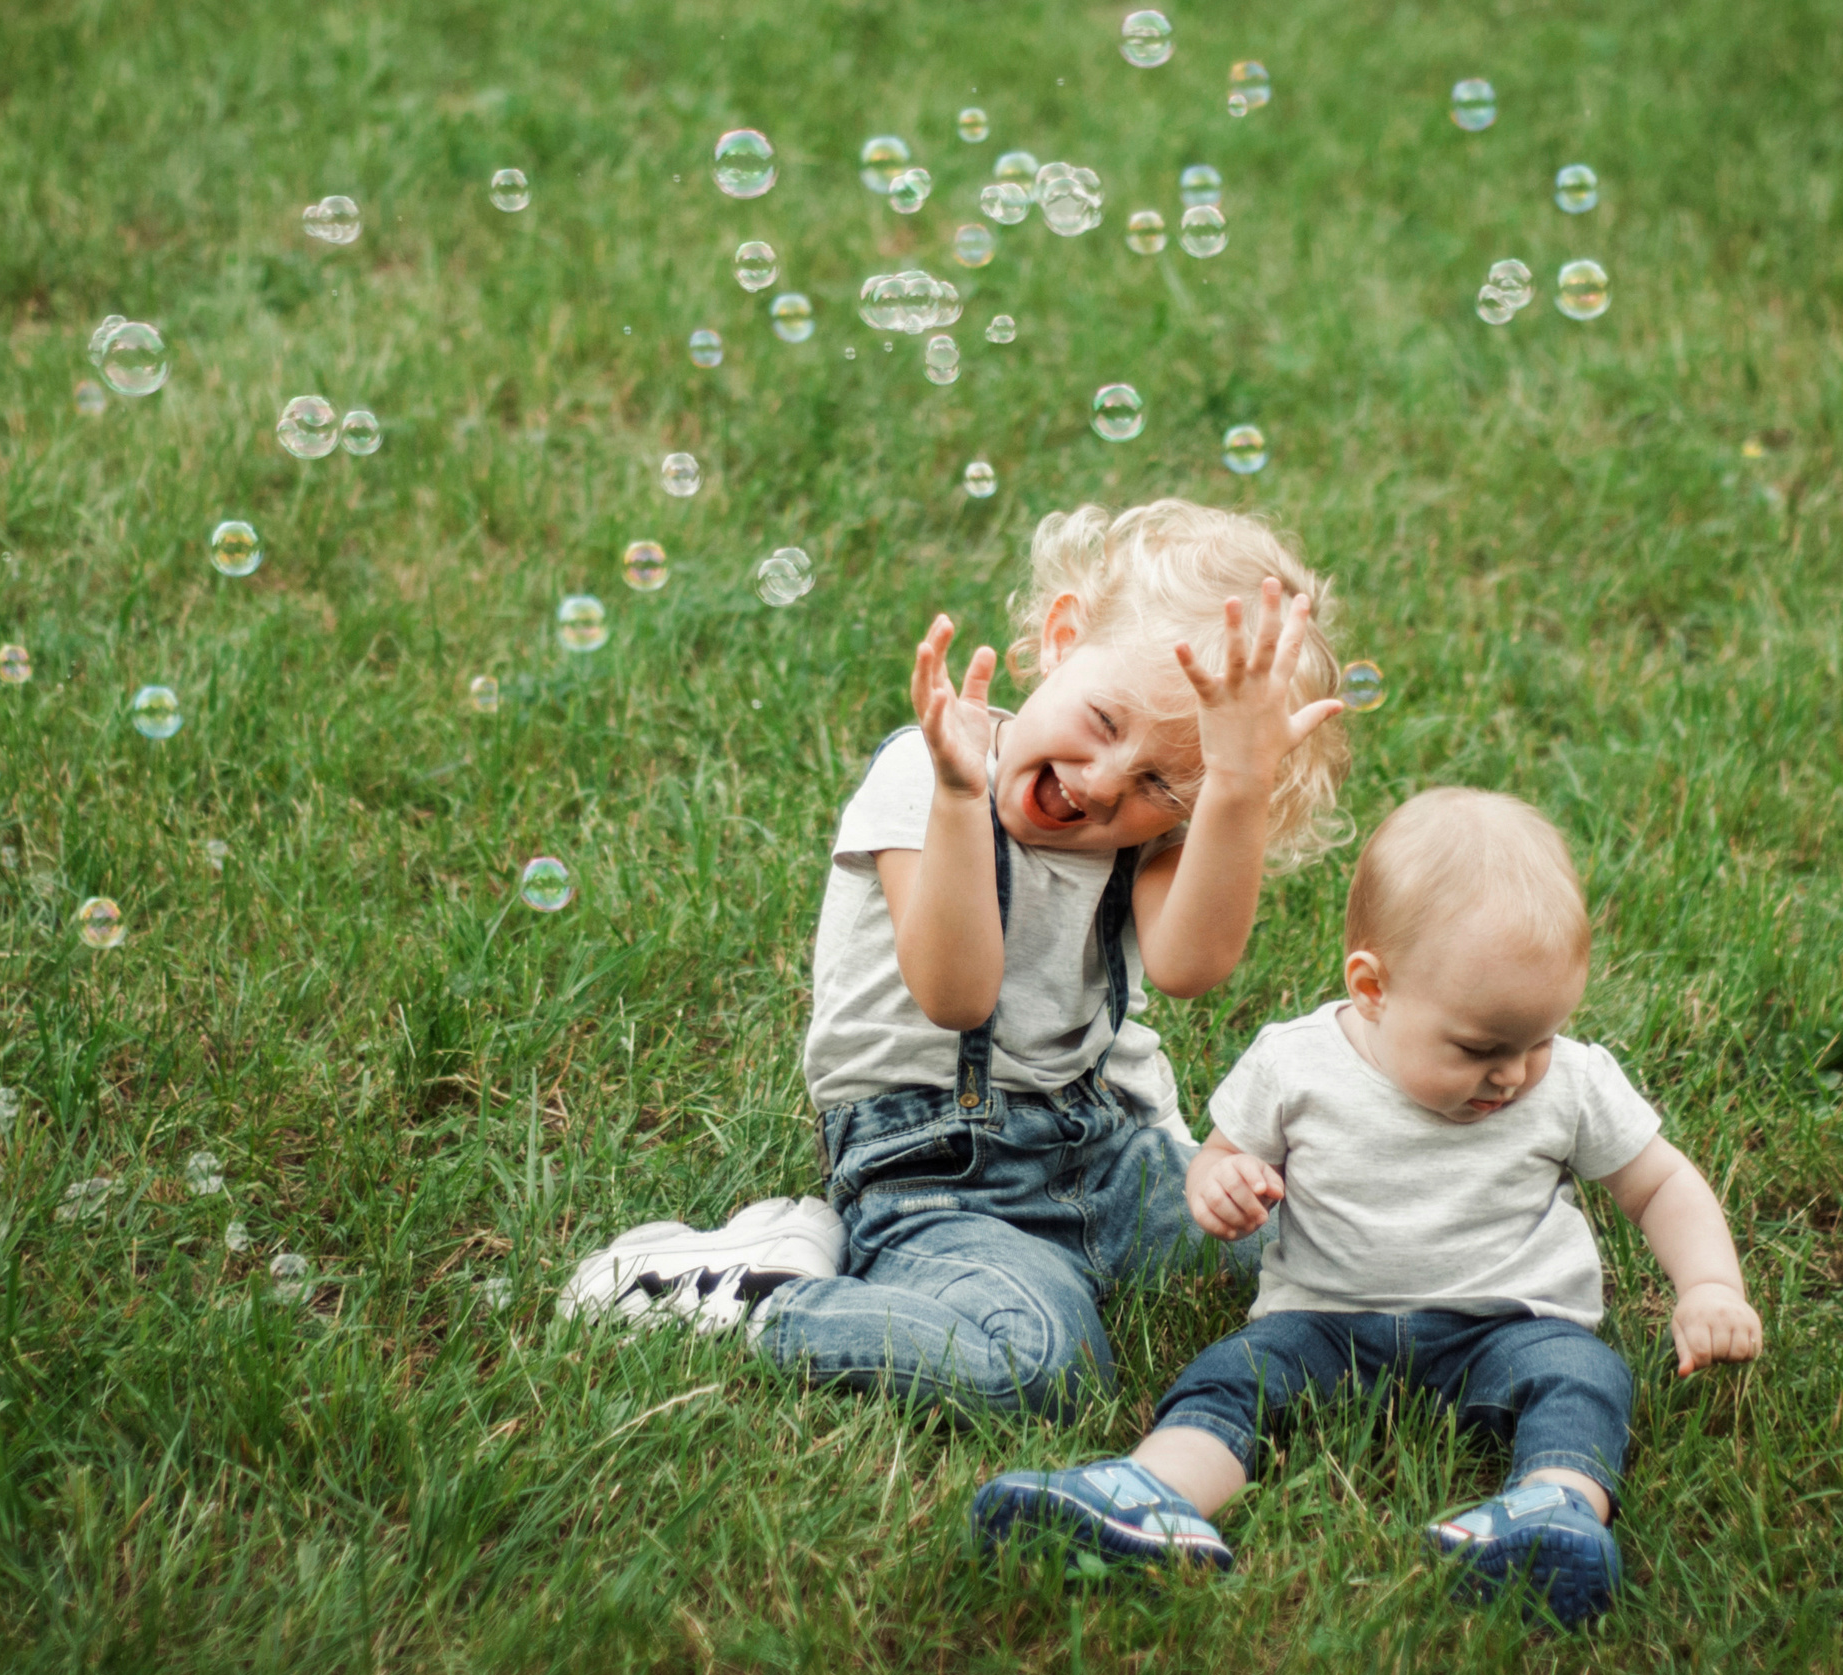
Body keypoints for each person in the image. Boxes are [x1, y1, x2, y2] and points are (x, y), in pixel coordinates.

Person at [555, 501, 1353, 1420]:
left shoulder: (1161, 832)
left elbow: (1189, 964)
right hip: (935, 1172)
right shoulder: (926, 773)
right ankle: (758, 1295)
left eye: (1161, 781)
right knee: (1039, 1366)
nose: (1103, 783)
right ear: (1061, 638)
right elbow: (955, 992)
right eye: (1103, 721)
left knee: (1331, 1242)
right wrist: (958, 798)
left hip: (1099, 1155)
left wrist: (1237, 785)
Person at [969, 788, 1764, 1625]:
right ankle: (1149, 1492)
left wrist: (1709, 1285)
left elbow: (1660, 1182)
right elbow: (1223, 1154)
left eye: (1538, 1039)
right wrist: (1219, 1186)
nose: (1513, 1073)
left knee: (1585, 1378)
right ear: (1372, 987)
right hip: (1323, 1322)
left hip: (1510, 1325)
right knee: (1232, 1377)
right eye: (1479, 1047)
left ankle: (1551, 1511)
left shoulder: (1569, 1080)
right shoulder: (1296, 1063)